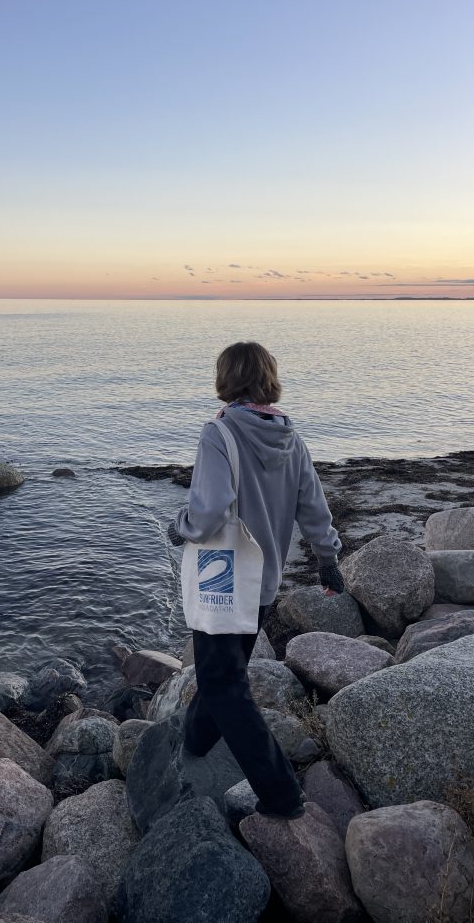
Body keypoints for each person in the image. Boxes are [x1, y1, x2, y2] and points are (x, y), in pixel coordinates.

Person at [167, 340, 344, 819]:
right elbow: (314, 507)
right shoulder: (291, 437)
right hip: (263, 581)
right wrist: (327, 558)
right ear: (269, 378)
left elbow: (207, 512)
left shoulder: (219, 432)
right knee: (224, 672)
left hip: (224, 581)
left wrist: (179, 526)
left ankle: (281, 793)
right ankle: (195, 739)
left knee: (223, 685)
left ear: (225, 378)